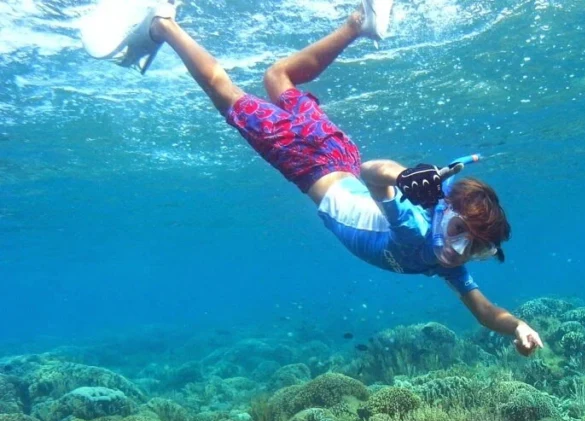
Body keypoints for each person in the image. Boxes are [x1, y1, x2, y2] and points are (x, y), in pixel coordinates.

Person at [88, 0, 545, 356]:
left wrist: (519, 326)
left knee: (278, 78)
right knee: (224, 93)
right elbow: (374, 175)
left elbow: (484, 310)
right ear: (441, 215)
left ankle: (357, 25)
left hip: (336, 156)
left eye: (476, 249)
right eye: (457, 232)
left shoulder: (447, 260)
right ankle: (162, 24)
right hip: (307, 163)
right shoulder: (414, 233)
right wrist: (405, 175)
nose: (458, 249)